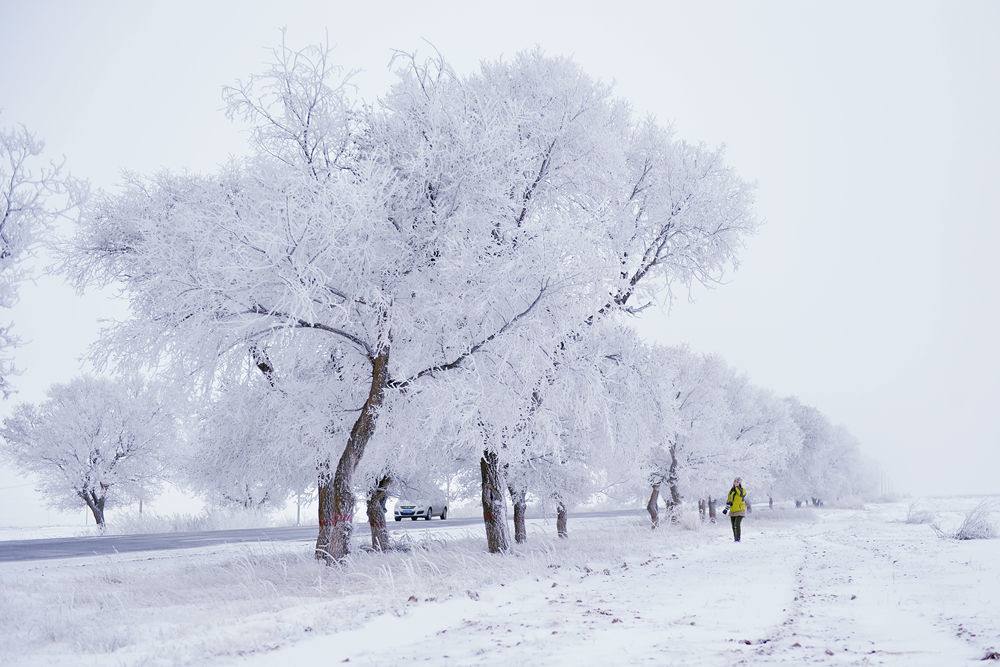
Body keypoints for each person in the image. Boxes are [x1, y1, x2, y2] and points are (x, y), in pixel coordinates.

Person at [722, 477, 747, 542]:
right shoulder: (731, 491)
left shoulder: (742, 490)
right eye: (735, 481)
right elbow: (729, 500)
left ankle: (738, 539)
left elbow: (741, 494)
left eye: (737, 482)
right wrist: (726, 509)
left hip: (740, 510)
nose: (735, 483)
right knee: (733, 526)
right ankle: (735, 539)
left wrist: (737, 487)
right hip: (733, 510)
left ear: (739, 483)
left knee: (737, 524)